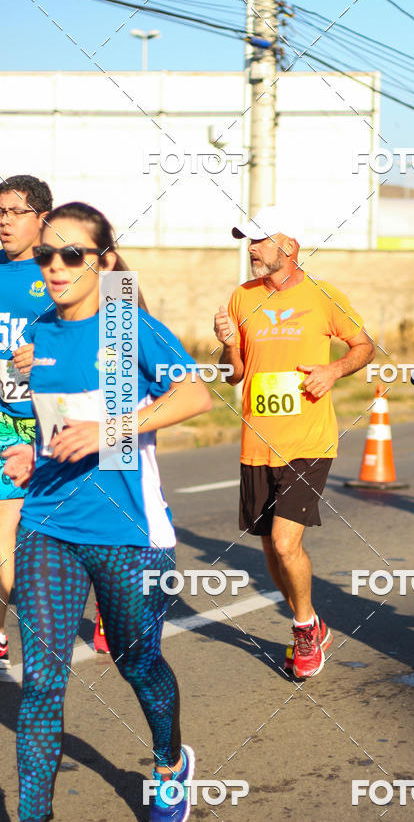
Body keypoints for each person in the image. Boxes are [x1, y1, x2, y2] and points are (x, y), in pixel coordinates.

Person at [4, 202, 211, 822]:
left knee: (136, 661)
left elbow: (195, 394)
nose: (56, 266)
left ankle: (170, 763)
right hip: (47, 523)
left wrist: (109, 430)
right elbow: (58, 421)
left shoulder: (129, 327)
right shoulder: (40, 330)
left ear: (105, 261)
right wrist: (34, 452)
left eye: (73, 255)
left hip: (129, 531)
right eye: (47, 255)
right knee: (42, 681)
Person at [214, 206, 374, 678]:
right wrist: (228, 343)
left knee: (286, 544)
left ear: (289, 246)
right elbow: (233, 375)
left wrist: (333, 370)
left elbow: (364, 346)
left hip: (309, 440)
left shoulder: (323, 296)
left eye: (260, 240)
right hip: (257, 440)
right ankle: (313, 623)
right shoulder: (242, 298)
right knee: (270, 545)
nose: (252, 249)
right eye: (249, 241)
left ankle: (304, 629)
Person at [0, 174, 52, 668]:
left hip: (53, 422)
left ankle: (107, 599)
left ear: (42, 218)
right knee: (4, 531)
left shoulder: (60, 272)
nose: (5, 221)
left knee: (57, 535)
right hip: (4, 420)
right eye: (0, 212)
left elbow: (105, 341)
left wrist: (47, 354)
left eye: (16, 212)